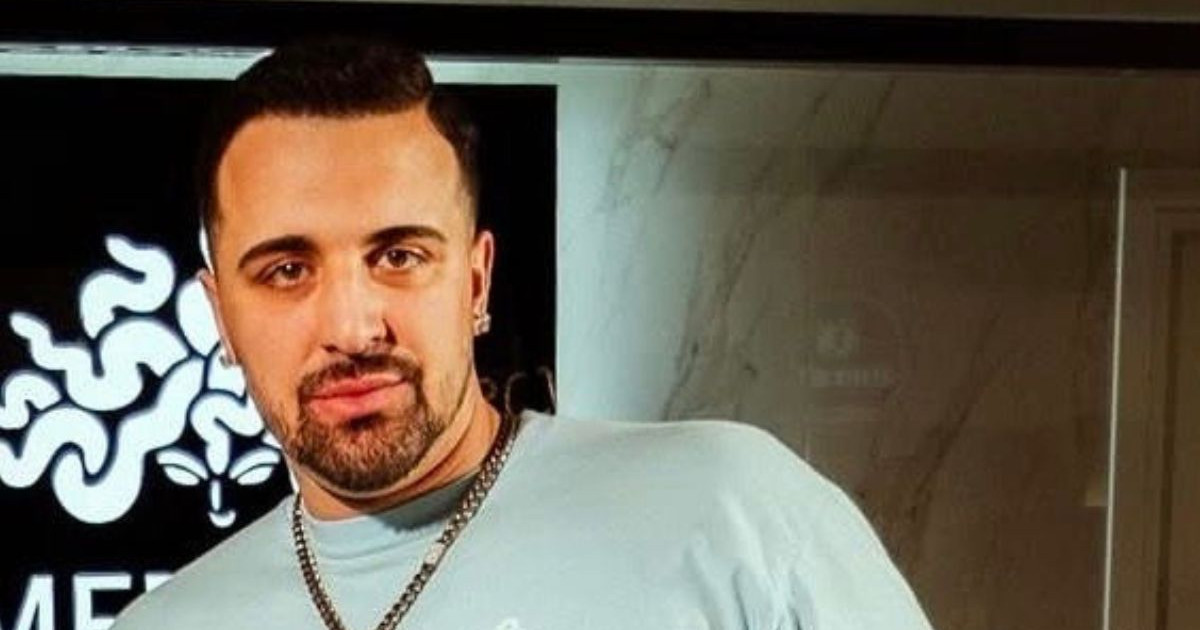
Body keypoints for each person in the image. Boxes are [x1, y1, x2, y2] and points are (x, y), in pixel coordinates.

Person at [112, 37, 933, 630]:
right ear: (221, 316)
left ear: (476, 281)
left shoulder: (731, 511)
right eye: (287, 270)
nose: (353, 327)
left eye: (398, 256)